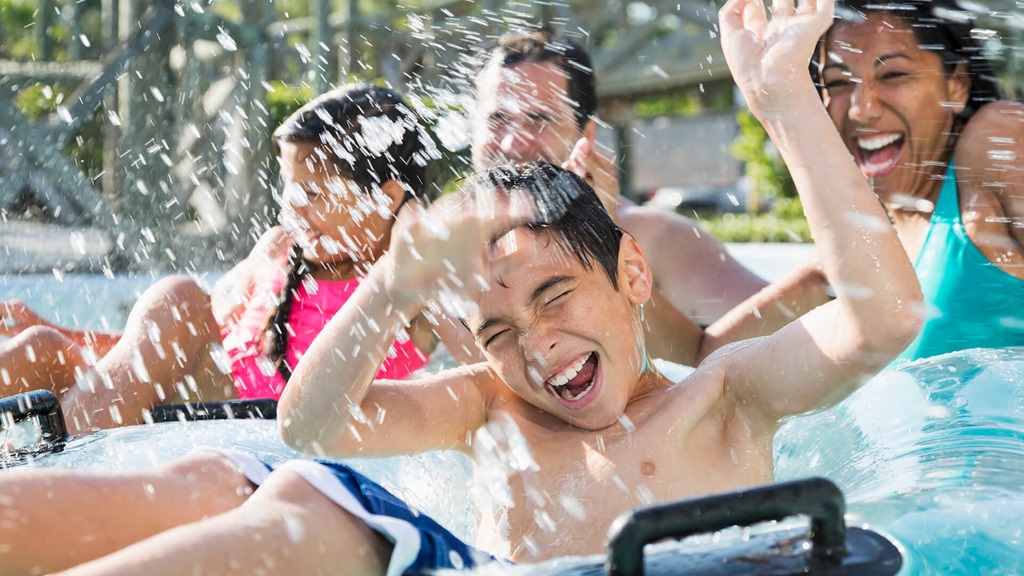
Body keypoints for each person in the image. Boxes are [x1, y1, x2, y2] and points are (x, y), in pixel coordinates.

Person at [0, 3, 923, 570]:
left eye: (555, 298)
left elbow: (883, 318)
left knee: (315, 512)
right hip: (471, 563)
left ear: (630, 276)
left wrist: (790, 108)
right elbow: (310, 424)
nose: (533, 343)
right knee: (298, 495)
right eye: (497, 330)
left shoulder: (724, 398)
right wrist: (397, 282)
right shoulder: (490, 401)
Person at [0, 84, 449, 434]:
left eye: (310, 193)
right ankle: (38, 467)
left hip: (246, 433)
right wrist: (64, 331)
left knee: (180, 296)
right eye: (287, 190)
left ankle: (58, 466)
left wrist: (411, 223)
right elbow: (156, 351)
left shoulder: (414, 291)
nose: (291, 208)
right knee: (42, 347)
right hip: (171, 413)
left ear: (387, 196)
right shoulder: (279, 250)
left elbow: (482, 366)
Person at [469, 27, 830, 366]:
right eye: (497, 119)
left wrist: (603, 242)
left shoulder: (656, 239)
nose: (511, 143)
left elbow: (808, 329)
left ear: (586, 135)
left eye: (539, 120)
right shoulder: (439, 255)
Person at [807, 0, 1024, 361]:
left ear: (957, 85)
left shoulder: (998, 141)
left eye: (893, 75)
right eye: (838, 83)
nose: (861, 107)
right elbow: (712, 359)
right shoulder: (855, 258)